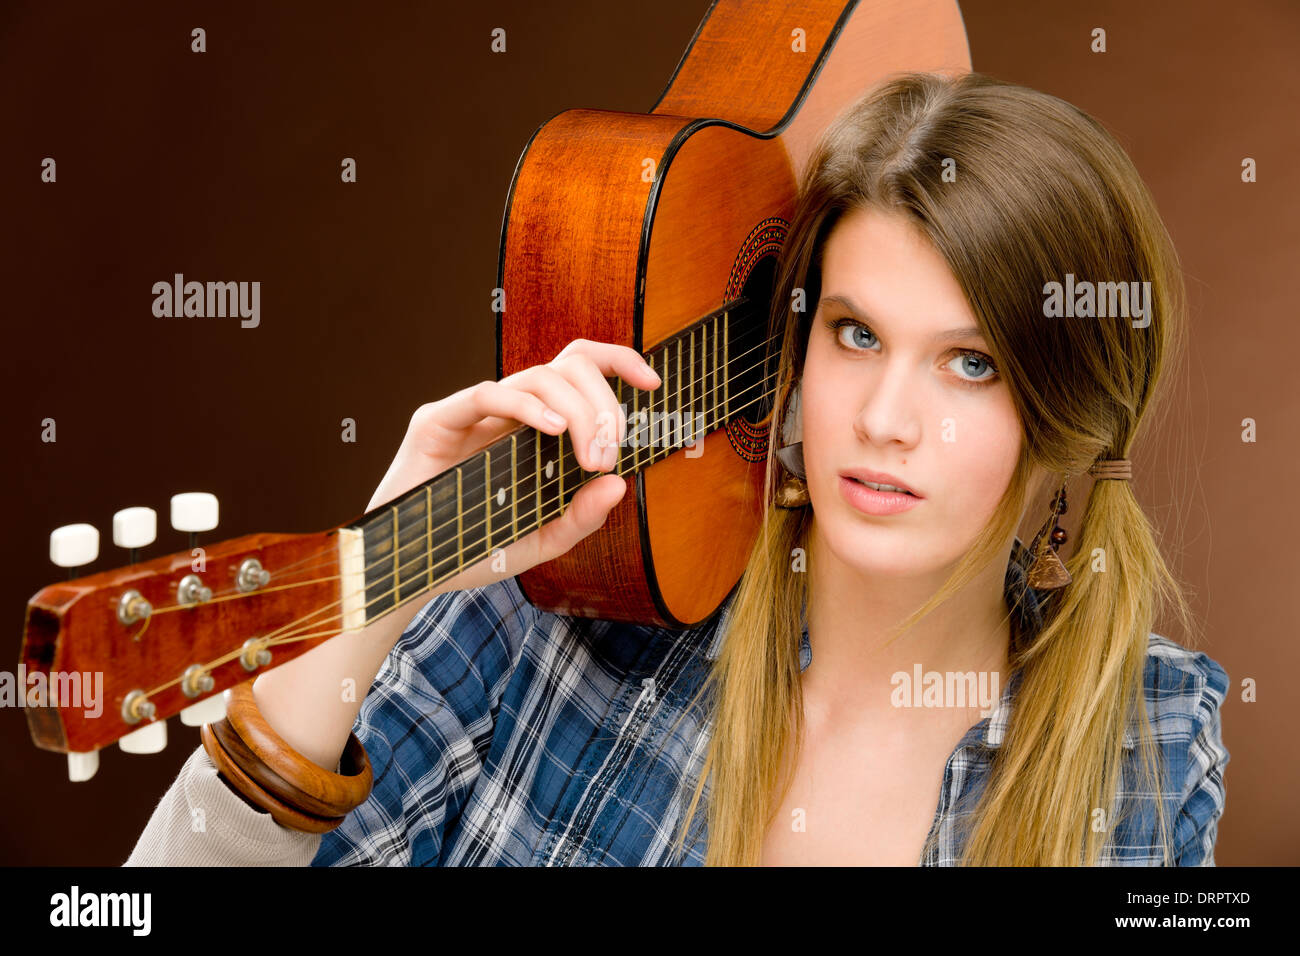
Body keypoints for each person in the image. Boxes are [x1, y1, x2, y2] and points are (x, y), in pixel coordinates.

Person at [126, 71, 1228, 867]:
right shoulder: (567, 608)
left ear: (1068, 411)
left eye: (970, 363)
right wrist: (382, 570)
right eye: (854, 334)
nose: (887, 418)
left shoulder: (1149, 744)